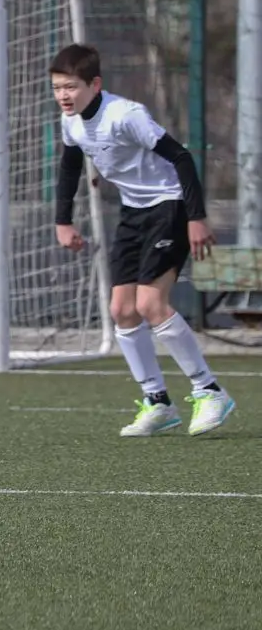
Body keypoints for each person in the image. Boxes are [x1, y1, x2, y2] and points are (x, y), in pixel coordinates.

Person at [51, 43, 235, 436]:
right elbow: (69, 168)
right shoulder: (71, 123)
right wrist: (63, 222)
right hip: (133, 213)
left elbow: (180, 157)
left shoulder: (126, 114)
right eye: (57, 88)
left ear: (94, 84)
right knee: (122, 310)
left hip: (171, 207)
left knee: (151, 303)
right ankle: (158, 402)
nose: (63, 95)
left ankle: (210, 391)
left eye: (71, 87)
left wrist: (196, 217)